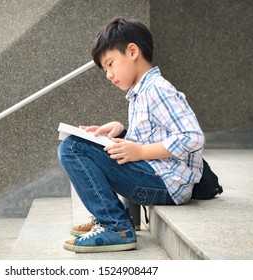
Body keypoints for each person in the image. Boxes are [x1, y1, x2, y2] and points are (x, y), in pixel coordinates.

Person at [58, 17, 205, 253]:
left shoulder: (157, 89)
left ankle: (115, 226)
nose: (108, 74)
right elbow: (152, 135)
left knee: (72, 148)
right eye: (105, 69)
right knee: (79, 143)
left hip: (166, 183)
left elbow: (193, 136)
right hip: (158, 176)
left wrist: (140, 151)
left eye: (110, 64)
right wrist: (120, 131)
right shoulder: (141, 91)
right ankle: (112, 217)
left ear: (132, 51)